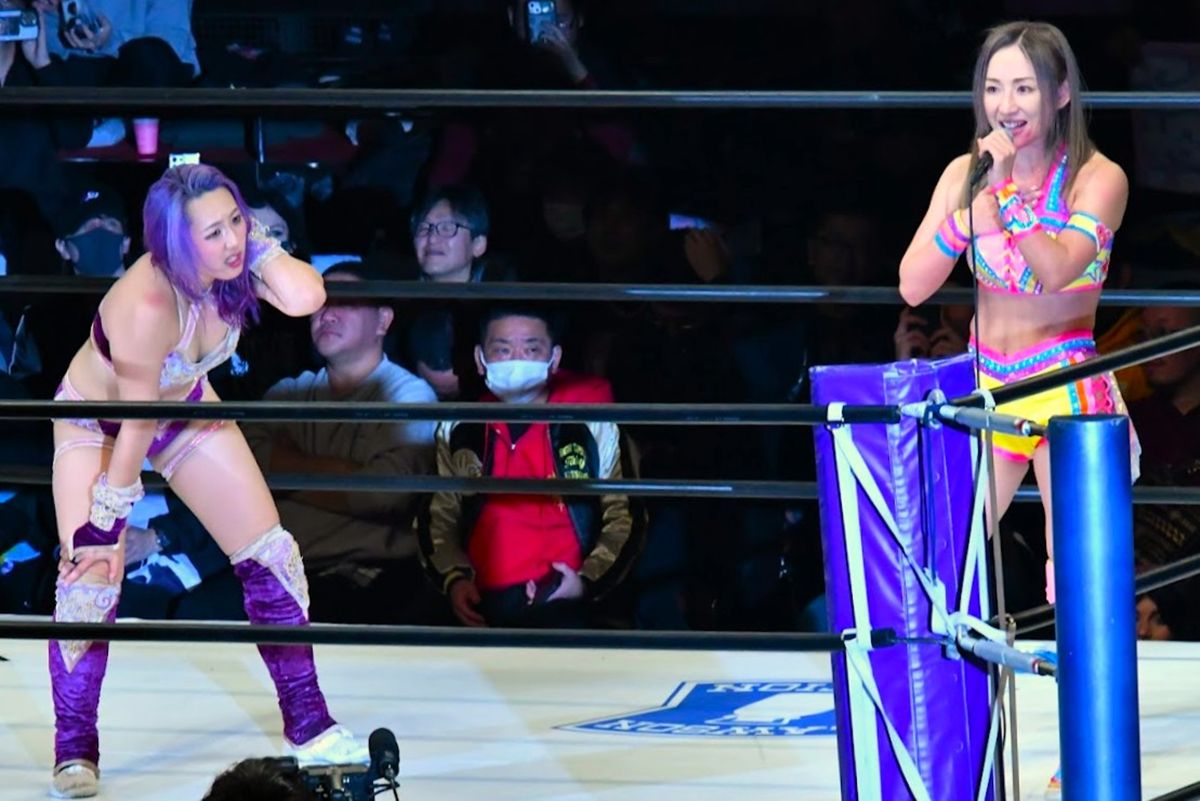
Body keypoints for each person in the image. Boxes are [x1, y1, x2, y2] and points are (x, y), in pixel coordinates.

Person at [47, 164, 366, 798]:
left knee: (271, 552)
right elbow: (134, 424)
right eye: (212, 232)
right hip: (99, 424)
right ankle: (74, 747)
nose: (231, 241)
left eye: (235, 221)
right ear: (176, 242)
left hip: (185, 407)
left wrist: (259, 246)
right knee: (90, 578)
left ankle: (308, 723)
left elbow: (306, 297)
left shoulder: (235, 262)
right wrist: (106, 524)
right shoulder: (145, 303)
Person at [898, 21, 1137, 610]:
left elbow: (1056, 271)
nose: (1006, 106)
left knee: (1077, 570)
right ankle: (941, 668)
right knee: (938, 550)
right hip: (987, 382)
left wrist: (1005, 197)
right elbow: (912, 285)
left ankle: (1086, 671)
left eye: (1024, 88)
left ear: (1061, 93)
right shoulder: (963, 174)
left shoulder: (1098, 178)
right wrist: (967, 217)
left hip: (1063, 381)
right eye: (994, 88)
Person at [417, 306, 641, 628]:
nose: (517, 361)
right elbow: (438, 514)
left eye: (532, 350)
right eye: (503, 350)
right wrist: (453, 578)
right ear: (480, 359)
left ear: (554, 358)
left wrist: (585, 582)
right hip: (478, 598)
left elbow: (626, 513)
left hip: (566, 599)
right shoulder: (459, 428)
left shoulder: (592, 425)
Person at [243, 263, 438, 623]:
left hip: (367, 576)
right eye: (319, 303)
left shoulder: (409, 395)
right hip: (278, 574)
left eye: (345, 301)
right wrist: (344, 475)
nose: (327, 313)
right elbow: (244, 473)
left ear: (382, 321)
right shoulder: (288, 393)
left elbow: (383, 496)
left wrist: (285, 468)